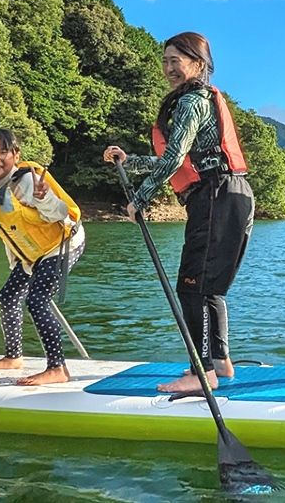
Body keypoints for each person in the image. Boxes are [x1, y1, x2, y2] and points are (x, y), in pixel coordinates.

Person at [103, 31, 253, 395]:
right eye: (166, 61)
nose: (169, 68)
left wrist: (141, 198)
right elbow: (183, 158)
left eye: (177, 60)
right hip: (234, 194)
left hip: (215, 196)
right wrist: (131, 161)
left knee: (191, 288)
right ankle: (221, 364)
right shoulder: (201, 101)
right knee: (211, 289)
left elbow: (173, 158)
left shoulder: (190, 102)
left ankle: (201, 374)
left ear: (199, 65)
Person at [0, 128, 85, 385]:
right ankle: (13, 358)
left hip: (63, 243)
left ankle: (57, 368)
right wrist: (21, 262)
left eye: (4, 152)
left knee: (37, 299)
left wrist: (43, 197)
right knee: (8, 296)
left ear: (16, 155)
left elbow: (58, 214)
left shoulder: (25, 180)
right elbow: (11, 233)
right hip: (33, 255)